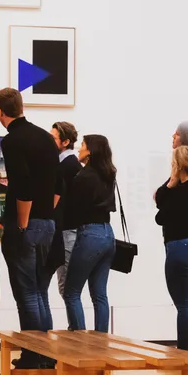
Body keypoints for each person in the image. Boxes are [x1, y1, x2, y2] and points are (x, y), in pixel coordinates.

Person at [0, 88, 60, 369]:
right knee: (40, 292)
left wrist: (22, 223)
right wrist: (46, 213)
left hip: (26, 224)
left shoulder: (12, 141)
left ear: (0, 111)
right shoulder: (46, 137)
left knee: (27, 295)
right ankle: (47, 355)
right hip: (48, 223)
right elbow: (59, 185)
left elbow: (21, 184)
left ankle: (33, 355)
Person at [63, 135, 117, 332]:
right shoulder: (108, 174)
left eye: (83, 145)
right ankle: (101, 342)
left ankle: (79, 341)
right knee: (99, 294)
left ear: (91, 151)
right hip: (107, 235)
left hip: (90, 234)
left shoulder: (84, 176)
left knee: (71, 292)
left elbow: (73, 208)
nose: (79, 148)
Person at [155, 146, 188, 352]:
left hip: (179, 248)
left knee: (184, 306)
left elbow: (160, 216)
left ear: (177, 165)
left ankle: (183, 352)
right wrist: (172, 183)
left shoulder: (180, 192)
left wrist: (170, 184)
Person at [48, 121, 82, 297]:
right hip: (67, 230)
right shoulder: (68, 164)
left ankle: (75, 326)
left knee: (67, 288)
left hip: (67, 231)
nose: (49, 141)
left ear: (65, 141)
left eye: (53, 138)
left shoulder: (68, 166)